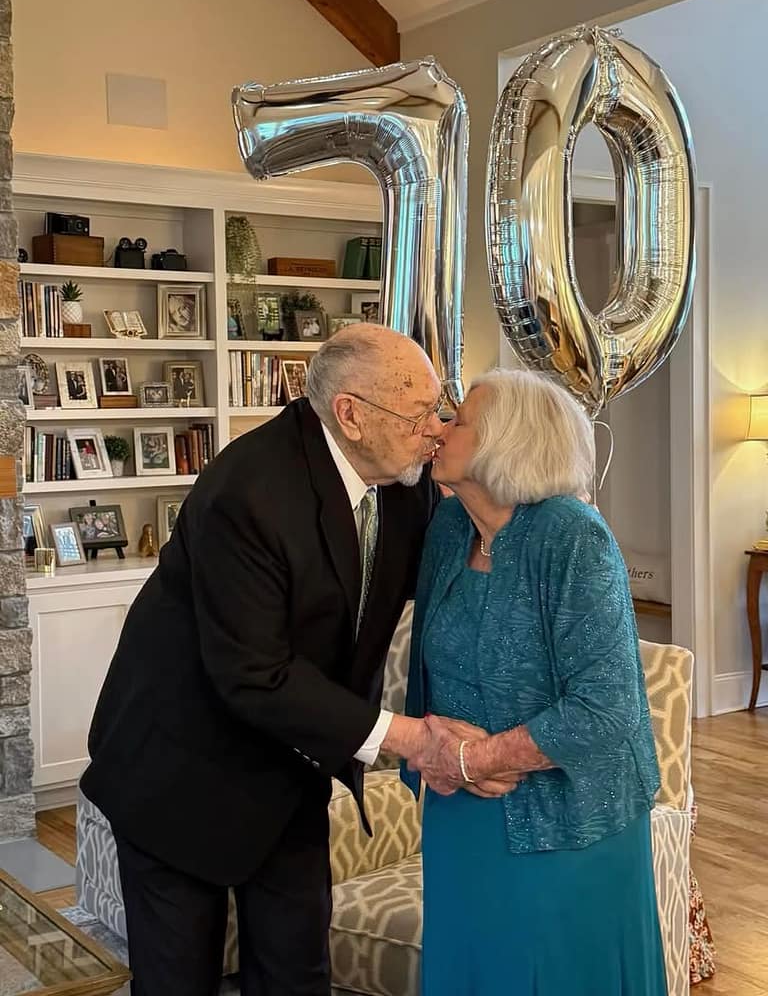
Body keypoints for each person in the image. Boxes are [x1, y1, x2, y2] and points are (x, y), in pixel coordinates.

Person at [80, 324, 461, 996]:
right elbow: (255, 674)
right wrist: (407, 738)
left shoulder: (404, 483)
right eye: (421, 412)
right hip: (176, 773)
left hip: (288, 767)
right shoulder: (248, 492)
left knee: (295, 973)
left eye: (442, 406)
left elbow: (447, 578)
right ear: (351, 414)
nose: (438, 428)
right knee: (178, 981)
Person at [403, 368, 668, 996]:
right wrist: (435, 755)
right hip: (458, 809)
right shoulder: (449, 528)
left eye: (458, 419)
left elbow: (606, 709)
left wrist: (477, 757)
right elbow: (425, 672)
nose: (440, 428)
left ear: (505, 442)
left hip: (567, 824)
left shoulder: (573, 536)